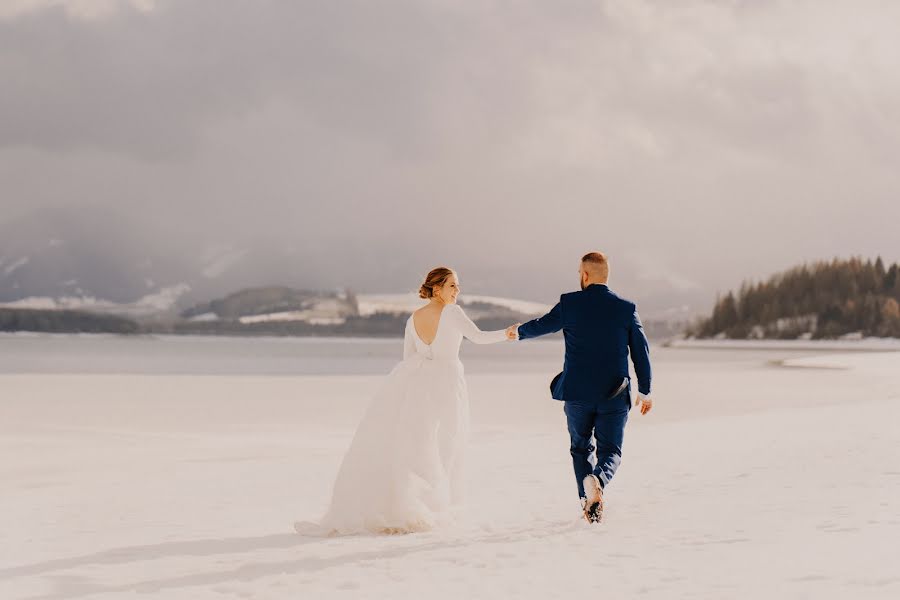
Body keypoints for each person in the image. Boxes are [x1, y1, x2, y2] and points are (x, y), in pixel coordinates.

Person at [315, 267, 515, 534]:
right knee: (447, 442)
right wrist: (509, 333)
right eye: (453, 285)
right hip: (447, 384)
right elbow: (478, 337)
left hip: (419, 385)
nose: (458, 290)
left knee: (417, 443)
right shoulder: (452, 313)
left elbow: (408, 357)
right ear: (437, 289)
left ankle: (413, 503)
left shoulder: (413, 318)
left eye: (458, 285)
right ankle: (436, 505)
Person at [509, 251, 652, 523]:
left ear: (584, 275)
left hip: (576, 394)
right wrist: (645, 391)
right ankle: (597, 481)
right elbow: (641, 352)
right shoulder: (626, 308)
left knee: (580, 449)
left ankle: (588, 502)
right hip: (615, 394)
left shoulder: (570, 303)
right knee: (611, 453)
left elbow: (542, 325)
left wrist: (518, 332)